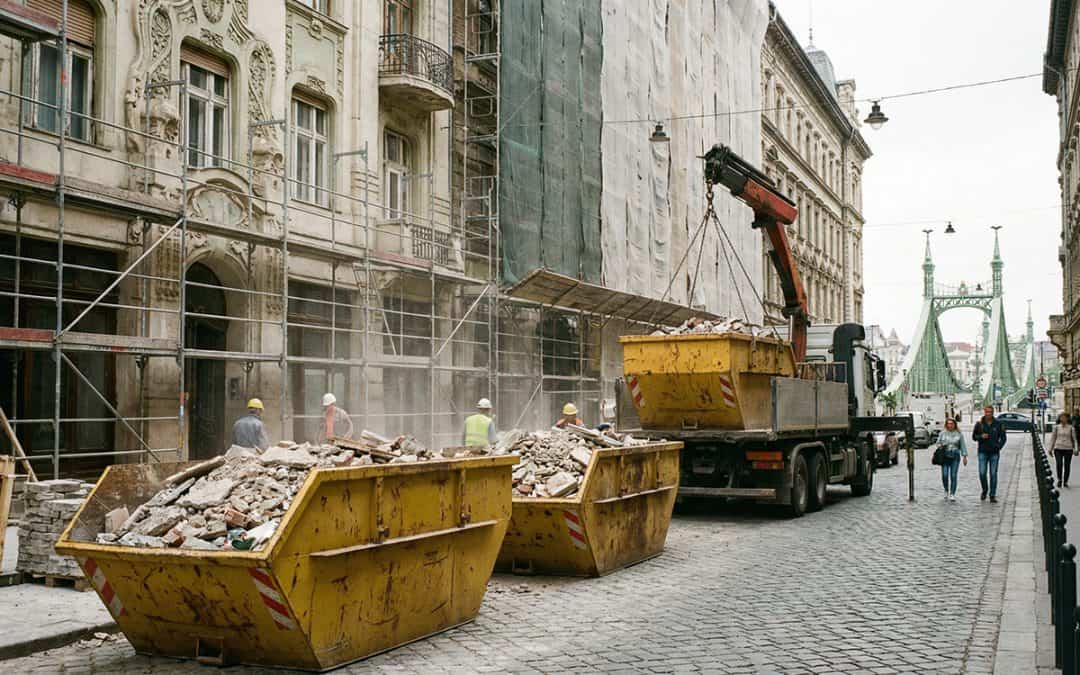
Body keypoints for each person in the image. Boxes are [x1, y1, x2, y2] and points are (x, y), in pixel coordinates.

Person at [972, 404, 1008, 503]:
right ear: (984, 412)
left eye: (990, 412)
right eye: (987, 412)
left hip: (994, 453)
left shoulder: (998, 423)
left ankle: (992, 495)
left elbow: (1003, 438)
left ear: (993, 413)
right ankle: (984, 490)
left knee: (993, 474)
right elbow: (974, 437)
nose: (988, 414)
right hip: (982, 451)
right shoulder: (979, 424)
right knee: (982, 473)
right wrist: (980, 437)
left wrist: (998, 447)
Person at [936, 418, 967, 501]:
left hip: (955, 456)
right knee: (945, 475)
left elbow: (963, 445)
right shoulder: (942, 433)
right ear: (946, 424)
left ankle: (952, 493)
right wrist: (940, 445)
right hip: (945, 456)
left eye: (951, 424)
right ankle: (946, 490)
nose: (950, 425)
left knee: (953, 475)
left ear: (954, 424)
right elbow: (937, 443)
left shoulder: (959, 434)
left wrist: (964, 456)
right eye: (948, 423)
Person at [1050, 412, 1078, 488]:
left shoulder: (1071, 428)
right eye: (1061, 417)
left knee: (1067, 465)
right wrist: (1050, 449)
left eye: (1064, 417)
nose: (1062, 419)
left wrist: (1076, 449)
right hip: (1058, 448)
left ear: (1067, 418)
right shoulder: (1056, 427)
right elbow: (1053, 438)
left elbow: (1075, 439)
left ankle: (1065, 481)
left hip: (1068, 449)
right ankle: (1059, 480)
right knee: (1059, 464)